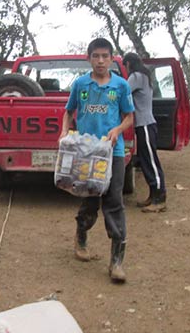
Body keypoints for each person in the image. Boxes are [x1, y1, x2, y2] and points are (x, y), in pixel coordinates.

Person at [59, 38, 134, 283]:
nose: (100, 61)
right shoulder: (80, 84)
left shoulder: (121, 86)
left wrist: (117, 130)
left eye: (105, 56)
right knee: (90, 198)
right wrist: (64, 132)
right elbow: (69, 111)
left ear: (112, 59)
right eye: (96, 56)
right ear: (88, 58)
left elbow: (129, 117)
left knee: (113, 202)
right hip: (85, 152)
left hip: (113, 153)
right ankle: (81, 236)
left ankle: (117, 261)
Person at [122, 52, 167, 213]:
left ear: (127, 64)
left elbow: (123, 91)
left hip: (145, 125)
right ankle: (153, 196)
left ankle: (160, 198)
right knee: (147, 161)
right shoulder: (144, 76)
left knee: (151, 162)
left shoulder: (136, 76)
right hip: (145, 125)